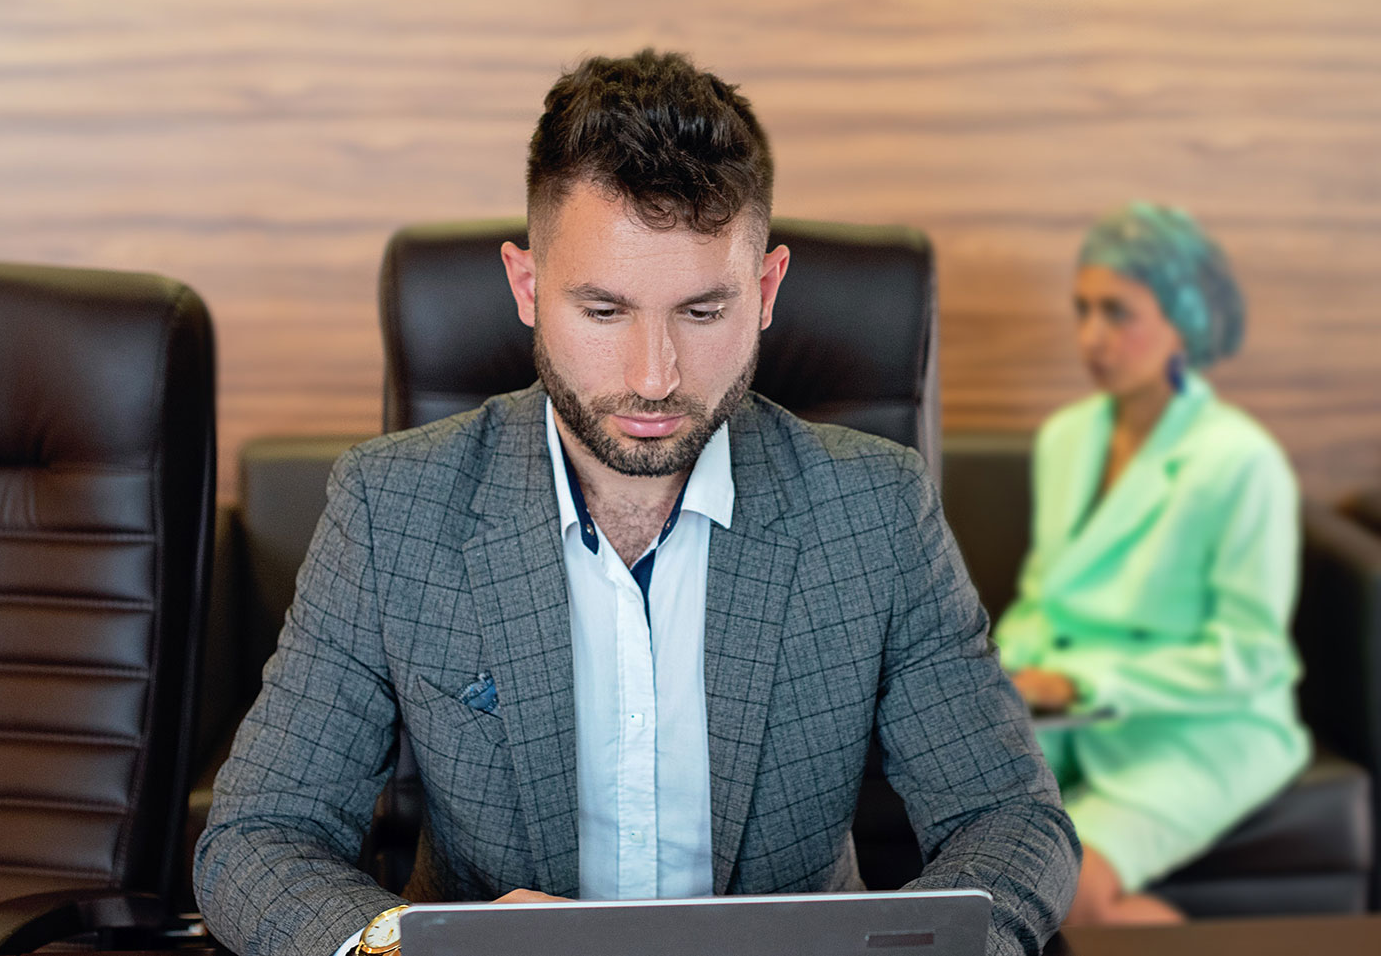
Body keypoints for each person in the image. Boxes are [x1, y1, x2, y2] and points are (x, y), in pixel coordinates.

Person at [195, 49, 1079, 956]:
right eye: (605, 312)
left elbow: (1011, 821)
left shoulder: (877, 511)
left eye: (702, 312)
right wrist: (400, 949)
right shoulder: (394, 508)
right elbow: (257, 839)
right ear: (528, 287)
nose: (654, 378)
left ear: (766, 291)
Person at [994, 202, 1309, 925]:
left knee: (1069, 898)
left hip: (1203, 727)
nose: (1091, 337)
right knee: (985, 870)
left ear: (1186, 319)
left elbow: (1248, 655)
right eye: (1082, 309)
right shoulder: (1068, 438)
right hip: (1072, 723)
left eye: (1117, 312)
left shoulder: (1241, 462)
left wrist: (1077, 681)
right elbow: (1043, 596)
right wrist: (998, 673)